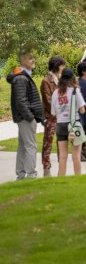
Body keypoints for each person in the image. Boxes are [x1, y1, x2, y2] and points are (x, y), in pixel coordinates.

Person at [7, 51, 44, 180]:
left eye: (33, 58)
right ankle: (31, 175)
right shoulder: (21, 78)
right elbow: (20, 101)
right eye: (30, 59)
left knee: (23, 147)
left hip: (25, 117)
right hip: (25, 118)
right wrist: (30, 117)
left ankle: (21, 174)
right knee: (30, 146)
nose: (33, 60)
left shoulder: (22, 76)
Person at [50, 68, 86, 176]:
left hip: (60, 124)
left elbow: (53, 113)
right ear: (72, 78)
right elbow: (82, 110)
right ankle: (78, 178)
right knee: (76, 155)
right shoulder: (75, 91)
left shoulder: (56, 92)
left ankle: (61, 179)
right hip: (74, 124)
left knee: (62, 156)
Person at [40, 56, 65, 177]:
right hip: (51, 117)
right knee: (48, 142)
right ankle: (46, 168)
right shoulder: (46, 81)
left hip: (61, 116)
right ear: (56, 66)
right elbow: (47, 100)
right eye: (62, 65)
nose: (63, 68)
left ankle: (62, 166)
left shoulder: (61, 80)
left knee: (61, 142)